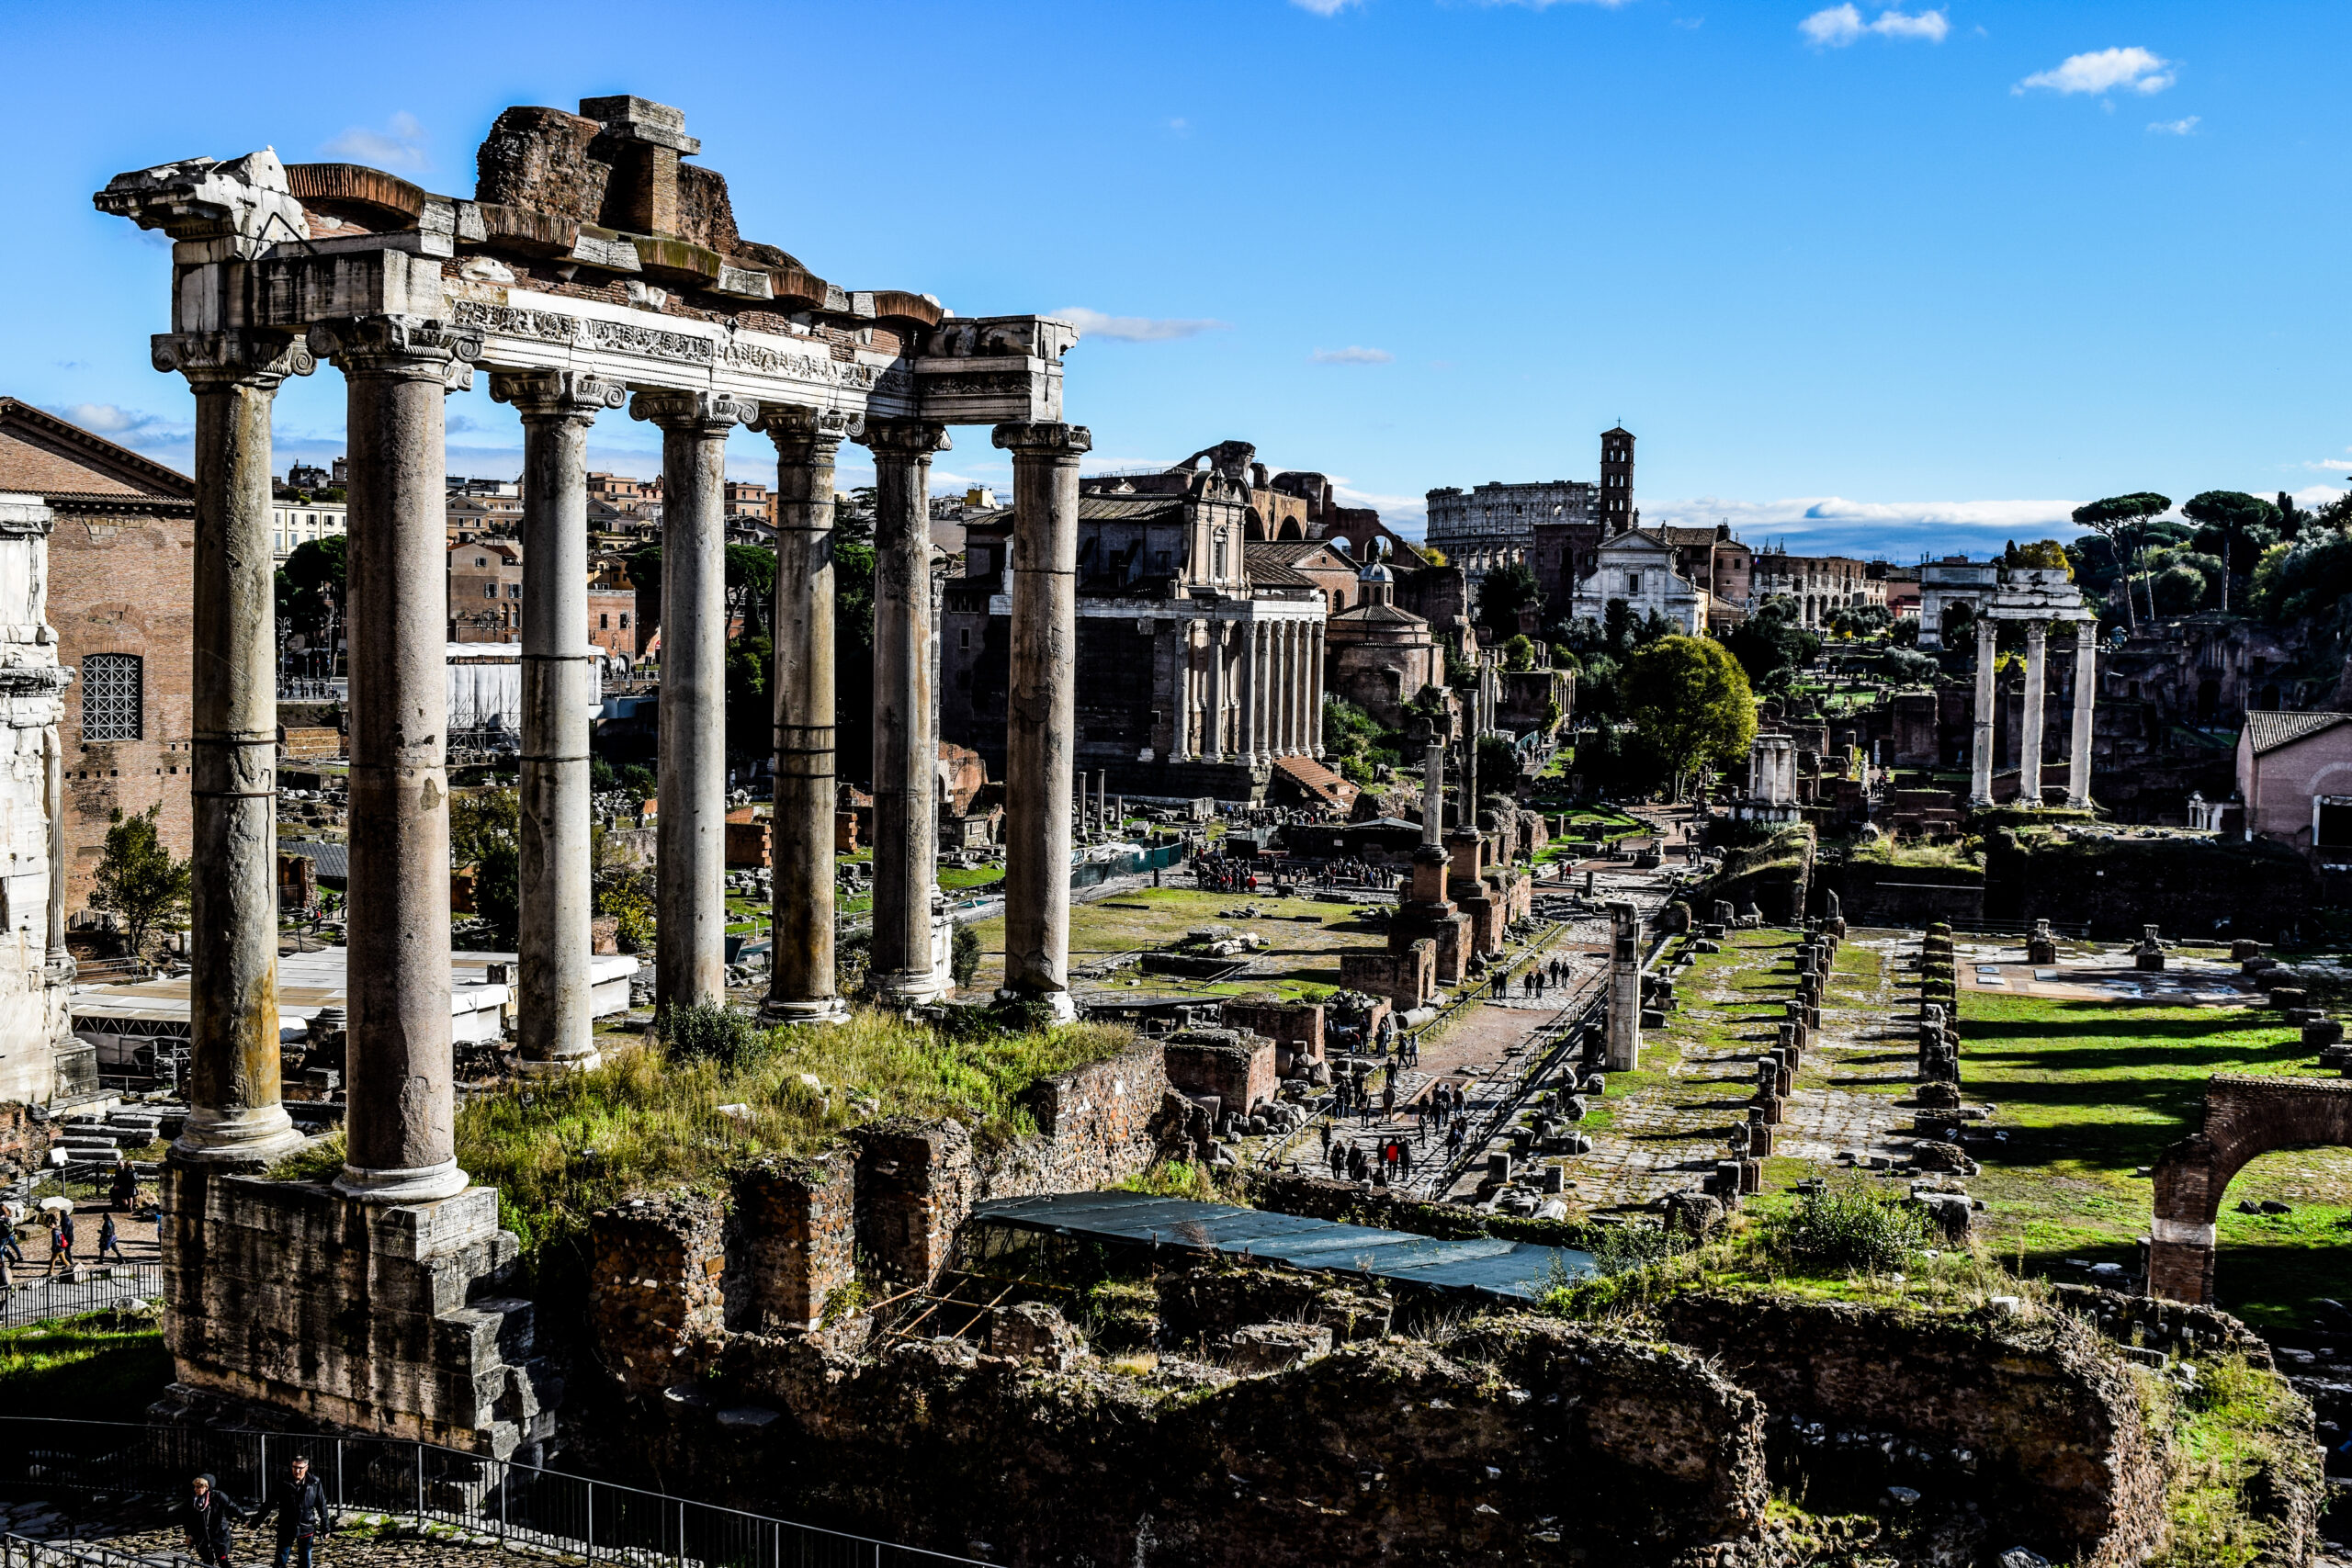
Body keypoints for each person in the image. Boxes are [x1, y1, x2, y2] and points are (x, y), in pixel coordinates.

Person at [252, 1453, 336, 1568]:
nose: (297, 1471)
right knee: (281, 1560)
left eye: (300, 1468)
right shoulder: (282, 1483)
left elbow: (322, 1506)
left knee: (305, 1561)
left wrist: (325, 1528)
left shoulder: (314, 1482)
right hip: (286, 1527)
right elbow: (268, 1504)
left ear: (306, 1468)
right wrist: (255, 1522)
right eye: (294, 1467)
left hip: (306, 1527)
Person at [179, 1473, 244, 1568]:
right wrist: (188, 1534)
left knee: (222, 1559)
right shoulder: (193, 1500)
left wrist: (245, 1519)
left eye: (198, 1487)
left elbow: (233, 1507)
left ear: (206, 1487)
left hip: (219, 1534)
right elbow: (187, 1518)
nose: (195, 1489)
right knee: (207, 1561)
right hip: (202, 1536)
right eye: (195, 1487)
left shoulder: (218, 1496)